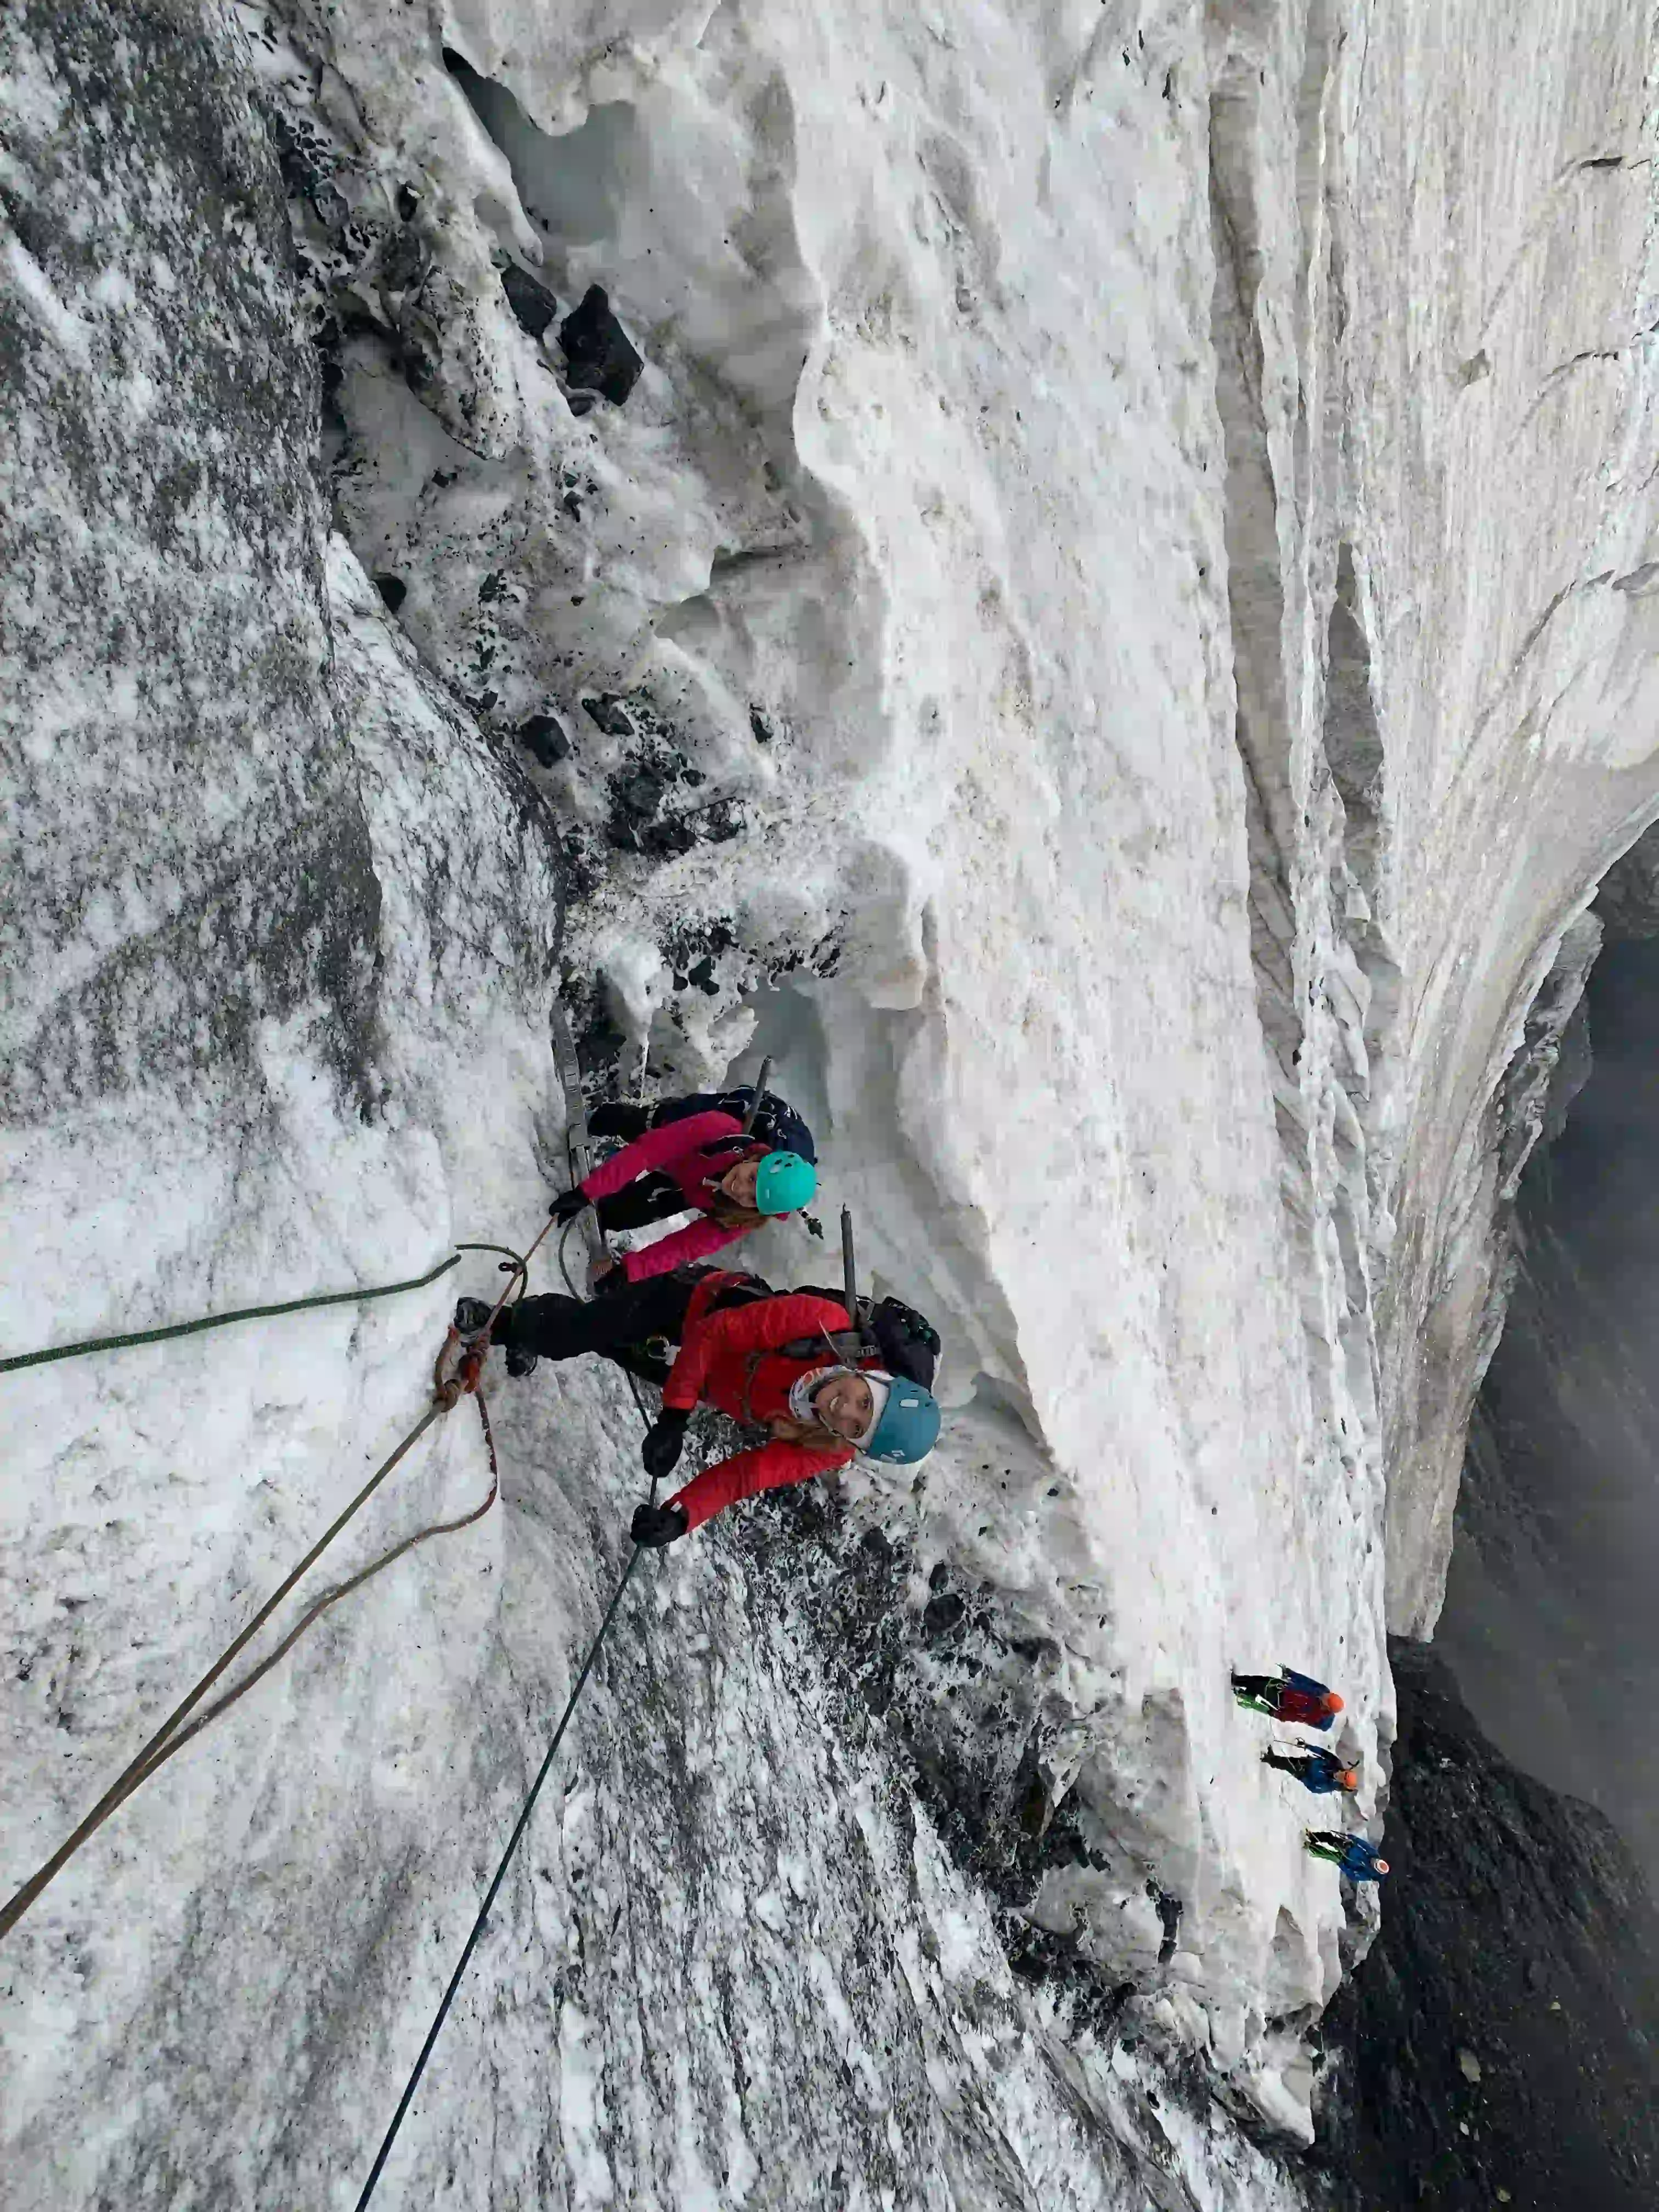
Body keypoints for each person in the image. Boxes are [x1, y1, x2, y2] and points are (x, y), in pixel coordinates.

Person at [458, 1266, 941, 1538]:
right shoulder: (825, 1323)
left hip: (698, 1377)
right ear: (871, 1378)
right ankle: (501, 1324)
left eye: (858, 1426)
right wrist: (675, 1415)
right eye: (863, 1400)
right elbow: (716, 1333)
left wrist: (679, 1517)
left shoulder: (827, 1446)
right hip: (691, 1305)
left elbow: (747, 1476)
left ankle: (533, 1331)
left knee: (607, 1342)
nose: (843, 1412)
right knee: (582, 1331)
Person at [549, 1107, 816, 1285]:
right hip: (684, 1141)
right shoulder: (717, 1129)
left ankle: (614, 1179)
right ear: (758, 1158)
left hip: (691, 1185)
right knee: (622, 1122)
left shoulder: (742, 1216)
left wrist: (629, 1272)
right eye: (752, 1178)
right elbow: (648, 1152)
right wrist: (586, 1192)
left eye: (751, 1198)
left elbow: (686, 1246)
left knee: (614, 1215)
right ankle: (600, 1118)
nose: (740, 1190)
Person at [590, 1084, 816, 1164]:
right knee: (643, 1125)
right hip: (691, 1122)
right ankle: (596, 1120)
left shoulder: (772, 1186)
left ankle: (602, 1125)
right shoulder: (741, 1124)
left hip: (700, 1135)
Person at [1232, 1666, 1345, 1730]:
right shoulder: (1323, 1691)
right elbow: (1308, 1682)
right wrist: (1292, 1675)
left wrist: (1278, 1715)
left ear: (1327, 1706)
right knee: (1260, 1680)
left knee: (1258, 1686)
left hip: (1280, 1700)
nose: (1326, 1695)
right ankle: (1242, 1686)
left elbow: (1295, 1716)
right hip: (1284, 1687)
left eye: (1328, 1698)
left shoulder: (1314, 1714)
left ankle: (1237, 1682)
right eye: (1330, 1695)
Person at [1263, 1746, 1359, 1795]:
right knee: (1290, 1760)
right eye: (1345, 1774)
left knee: (1287, 1764)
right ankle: (1273, 1759)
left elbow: (1314, 1789)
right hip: (1309, 1762)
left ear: (1344, 1783)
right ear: (1346, 1771)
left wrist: (1302, 1776)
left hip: (1303, 1773)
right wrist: (1308, 1746)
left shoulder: (1331, 1786)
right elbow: (1323, 1753)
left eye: (1345, 1779)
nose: (1343, 1776)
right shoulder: (1336, 1763)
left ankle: (1269, 1760)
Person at [1304, 1830, 1389, 1882]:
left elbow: (1353, 1876)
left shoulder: (1368, 1875)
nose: (1374, 1860)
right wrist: (1355, 1839)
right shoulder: (1374, 1854)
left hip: (1345, 1860)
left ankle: (1310, 1847)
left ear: (1376, 1869)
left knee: (1329, 1854)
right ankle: (1313, 1837)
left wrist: (1342, 1865)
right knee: (1331, 1838)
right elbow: (1365, 1845)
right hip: (1349, 1847)